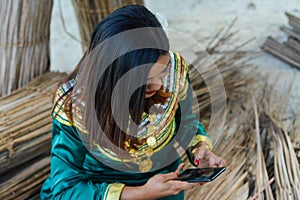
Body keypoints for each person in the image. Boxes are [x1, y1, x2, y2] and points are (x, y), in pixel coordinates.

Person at [40, 4, 226, 200]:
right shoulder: (75, 105)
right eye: (144, 82)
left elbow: (186, 122)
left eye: (161, 72)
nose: (158, 85)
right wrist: (142, 193)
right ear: (114, 76)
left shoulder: (175, 70)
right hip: (100, 192)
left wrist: (199, 149)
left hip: (164, 186)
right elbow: (64, 190)